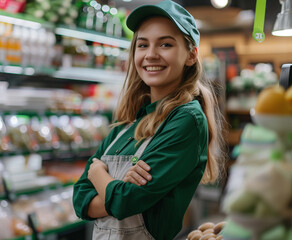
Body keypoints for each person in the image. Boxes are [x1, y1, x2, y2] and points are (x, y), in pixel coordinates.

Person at [72, 1, 225, 239]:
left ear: (191, 55)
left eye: (165, 44)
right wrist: (118, 187)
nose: (151, 54)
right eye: (142, 45)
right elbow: (80, 198)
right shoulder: (128, 121)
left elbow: (126, 202)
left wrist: (98, 174)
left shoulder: (186, 119)